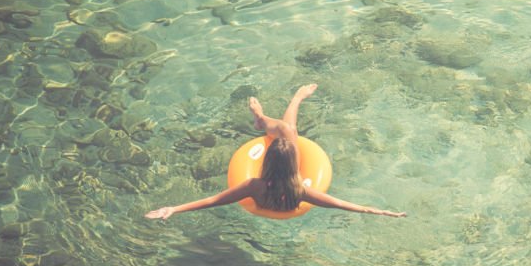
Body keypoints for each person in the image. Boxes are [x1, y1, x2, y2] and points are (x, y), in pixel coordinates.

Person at [145, 84, 406, 220]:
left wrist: (173, 209)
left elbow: (213, 200)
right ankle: (293, 101)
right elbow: (341, 204)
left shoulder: (254, 186)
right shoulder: (301, 191)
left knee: (286, 130)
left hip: (265, 194)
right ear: (295, 165)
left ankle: (263, 118)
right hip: (289, 191)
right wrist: (381, 212)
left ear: (267, 161)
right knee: (289, 131)